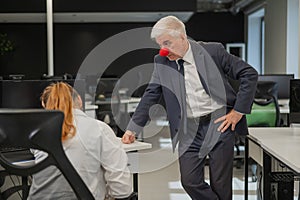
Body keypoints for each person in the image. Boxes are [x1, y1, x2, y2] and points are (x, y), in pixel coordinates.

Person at [122, 16, 258, 200]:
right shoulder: (162, 62)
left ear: (182, 37)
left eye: (167, 43)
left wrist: (238, 111)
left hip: (219, 123)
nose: (163, 50)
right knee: (190, 181)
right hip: (188, 129)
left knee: (221, 184)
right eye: (160, 45)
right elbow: (151, 94)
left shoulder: (212, 51)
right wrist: (133, 128)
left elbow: (249, 73)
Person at [28, 82, 133, 200]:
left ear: (44, 104)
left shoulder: (38, 132)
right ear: (79, 100)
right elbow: (122, 189)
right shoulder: (99, 128)